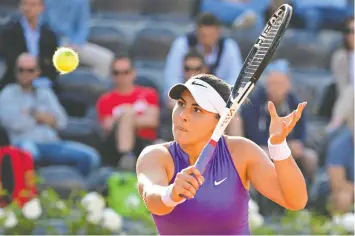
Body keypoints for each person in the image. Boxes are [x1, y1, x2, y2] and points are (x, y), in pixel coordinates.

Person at [136, 74, 308, 234]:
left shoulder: (241, 152)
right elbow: (152, 198)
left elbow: (296, 201)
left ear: (220, 120)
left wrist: (278, 145)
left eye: (196, 110)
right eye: (181, 104)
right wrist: (171, 193)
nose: (182, 116)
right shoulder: (156, 156)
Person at [0, 53, 101, 177]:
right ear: (16, 72)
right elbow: (14, 123)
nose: (25, 74)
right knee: (27, 155)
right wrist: (42, 117)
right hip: (25, 143)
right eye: (21, 70)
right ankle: (30, 192)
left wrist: (32, 115)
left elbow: (62, 121)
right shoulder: (7, 94)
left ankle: (75, 190)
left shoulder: (45, 93)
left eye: (30, 70)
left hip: (52, 143)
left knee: (91, 157)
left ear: (37, 72)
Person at [238, 59, 318, 181]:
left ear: (288, 85)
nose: (274, 88)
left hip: (287, 149)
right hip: (263, 147)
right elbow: (253, 135)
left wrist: (296, 145)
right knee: (263, 152)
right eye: (271, 84)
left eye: (279, 84)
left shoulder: (295, 103)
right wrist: (278, 146)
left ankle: (310, 193)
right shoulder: (255, 103)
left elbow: (301, 135)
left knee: (310, 156)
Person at [96, 56, 160, 170]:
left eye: (126, 72)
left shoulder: (148, 93)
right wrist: (129, 117)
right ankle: (126, 156)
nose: (121, 77)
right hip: (115, 147)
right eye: (117, 73)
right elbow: (108, 125)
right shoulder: (105, 99)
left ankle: (127, 157)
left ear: (133, 73)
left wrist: (126, 119)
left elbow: (152, 121)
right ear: (111, 75)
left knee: (127, 113)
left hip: (145, 142)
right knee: (127, 113)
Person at [163, 12, 242, 103]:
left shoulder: (228, 46)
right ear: (196, 32)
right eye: (204, 36)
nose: (208, 40)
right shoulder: (182, 44)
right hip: (186, 96)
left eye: (211, 35)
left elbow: (235, 79)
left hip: (219, 99)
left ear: (219, 32)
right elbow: (172, 77)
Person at [42, 0, 114, 78]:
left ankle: (96, 87)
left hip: (74, 45)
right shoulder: (47, 2)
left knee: (106, 59)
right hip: (50, 44)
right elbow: (42, 24)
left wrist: (75, 44)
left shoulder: (81, 2)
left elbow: (83, 26)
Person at [0, 0, 58, 90]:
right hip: (15, 83)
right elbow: (10, 60)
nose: (27, 8)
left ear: (41, 8)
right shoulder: (9, 32)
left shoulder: (49, 35)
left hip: (44, 82)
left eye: (32, 5)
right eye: (24, 4)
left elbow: (52, 63)